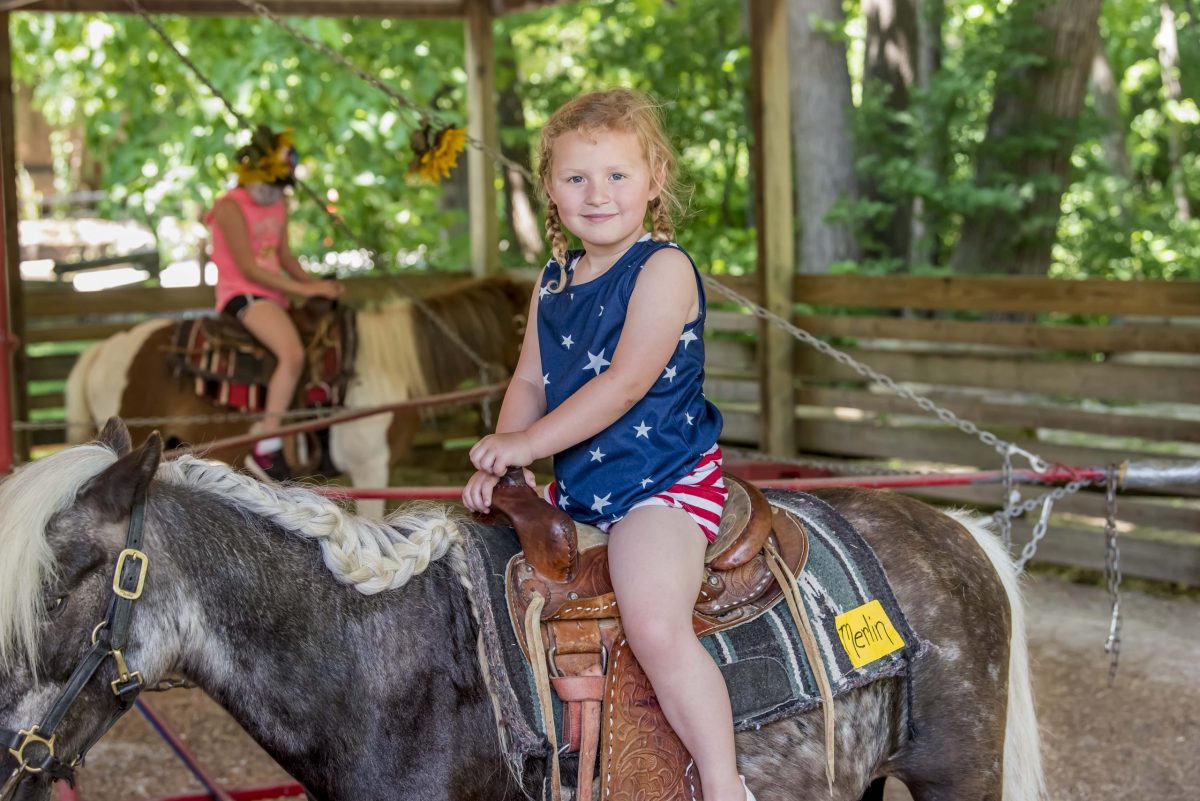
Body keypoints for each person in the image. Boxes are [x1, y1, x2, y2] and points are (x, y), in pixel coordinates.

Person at [462, 89, 754, 801]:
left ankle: (724, 783)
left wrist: (528, 437)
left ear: (654, 180)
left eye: (618, 176)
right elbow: (530, 376)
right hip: (583, 485)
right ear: (551, 190)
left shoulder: (663, 269)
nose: (598, 195)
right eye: (576, 178)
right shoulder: (554, 278)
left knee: (653, 620)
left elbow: (624, 384)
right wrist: (511, 456)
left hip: (661, 483)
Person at [206, 126, 344, 483]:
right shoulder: (229, 206)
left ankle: (317, 441)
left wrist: (315, 285)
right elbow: (250, 268)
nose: (277, 192)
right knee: (293, 354)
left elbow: (284, 256)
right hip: (243, 293)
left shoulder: (280, 202)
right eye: (273, 182)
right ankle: (266, 447)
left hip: (274, 293)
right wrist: (305, 291)